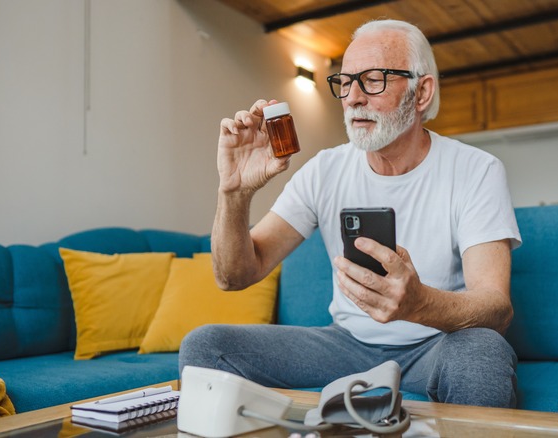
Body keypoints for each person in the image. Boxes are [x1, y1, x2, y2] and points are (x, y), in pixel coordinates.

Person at [179, 19, 522, 408]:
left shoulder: (476, 169)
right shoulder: (324, 170)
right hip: (344, 345)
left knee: (482, 351)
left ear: (421, 92)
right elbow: (234, 275)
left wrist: (418, 303)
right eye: (345, 81)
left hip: (436, 343)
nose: (353, 97)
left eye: (373, 79)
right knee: (206, 346)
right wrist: (235, 193)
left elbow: (497, 308)